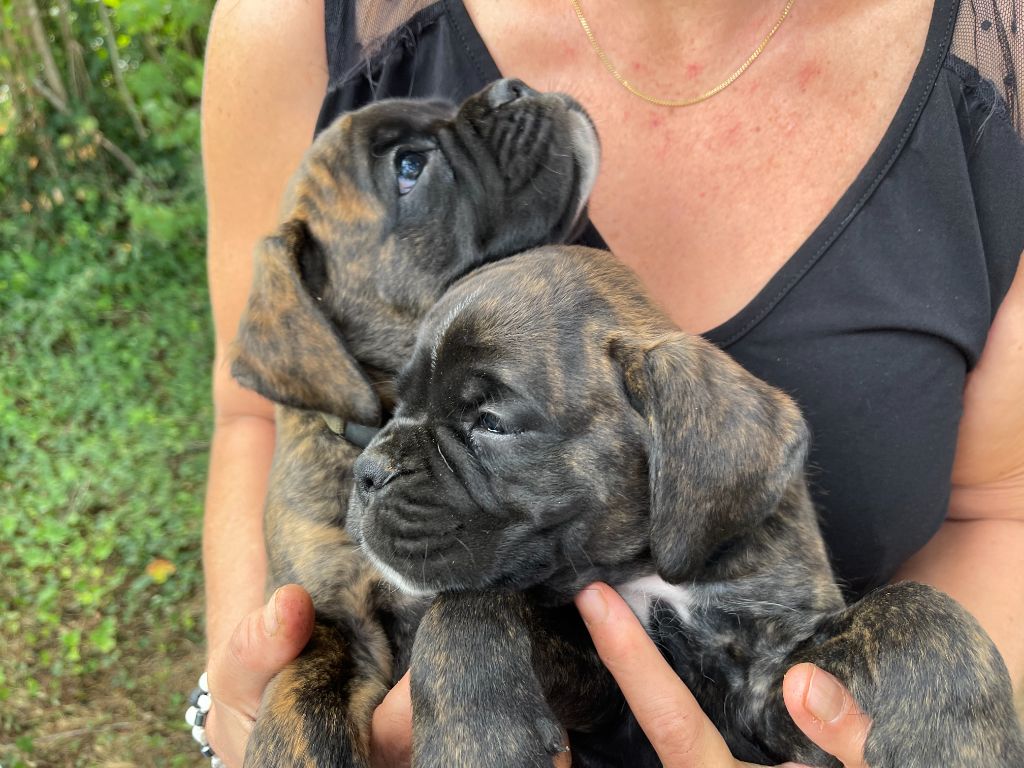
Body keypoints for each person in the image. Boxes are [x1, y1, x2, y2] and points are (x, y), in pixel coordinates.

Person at [197, 0, 1024, 765]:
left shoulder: (996, 53)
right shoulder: (301, 23)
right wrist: (241, 711)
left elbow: (999, 506)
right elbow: (256, 415)